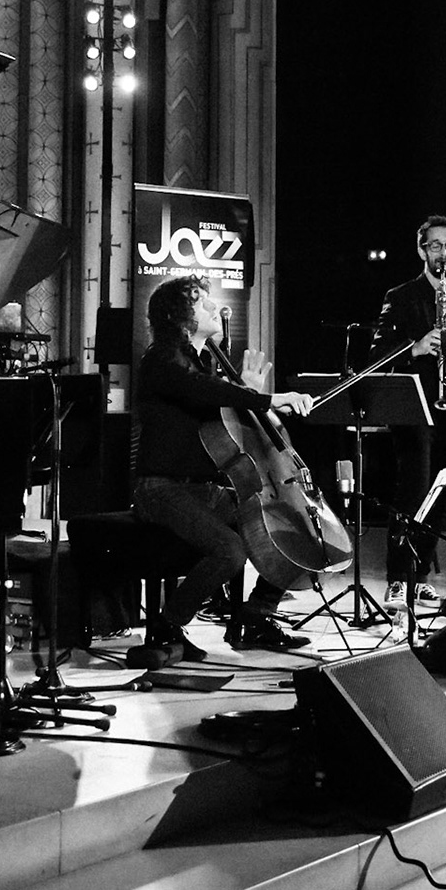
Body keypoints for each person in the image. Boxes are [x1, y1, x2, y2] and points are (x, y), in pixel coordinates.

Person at [131, 274, 315, 656]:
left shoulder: (204, 363)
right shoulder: (161, 359)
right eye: (202, 302)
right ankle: (167, 625)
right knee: (231, 551)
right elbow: (201, 391)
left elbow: (229, 424)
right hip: (161, 488)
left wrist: (245, 394)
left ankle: (256, 615)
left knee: (293, 528)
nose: (215, 307)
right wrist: (262, 398)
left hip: (202, 488)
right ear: (181, 317)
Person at [372, 215, 446, 608]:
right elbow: (376, 354)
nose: (444, 252)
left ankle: (421, 574)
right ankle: (397, 577)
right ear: (422, 250)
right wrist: (417, 348)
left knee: (445, 490)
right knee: (413, 488)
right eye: (436, 245)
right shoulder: (401, 295)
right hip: (414, 405)